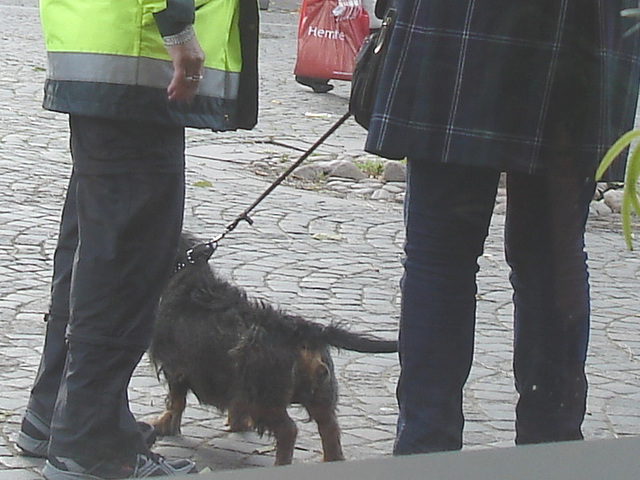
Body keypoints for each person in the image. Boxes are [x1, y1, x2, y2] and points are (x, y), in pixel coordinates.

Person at [365, 1, 640, 455]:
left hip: (456, 23)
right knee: (550, 259)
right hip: (582, 29)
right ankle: (552, 451)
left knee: (442, 260)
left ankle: (425, 450)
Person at [16, 0, 258, 478]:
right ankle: (91, 441)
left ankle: (58, 413)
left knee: (95, 244)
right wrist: (177, 27)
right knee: (125, 259)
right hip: (140, 54)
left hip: (111, 47)